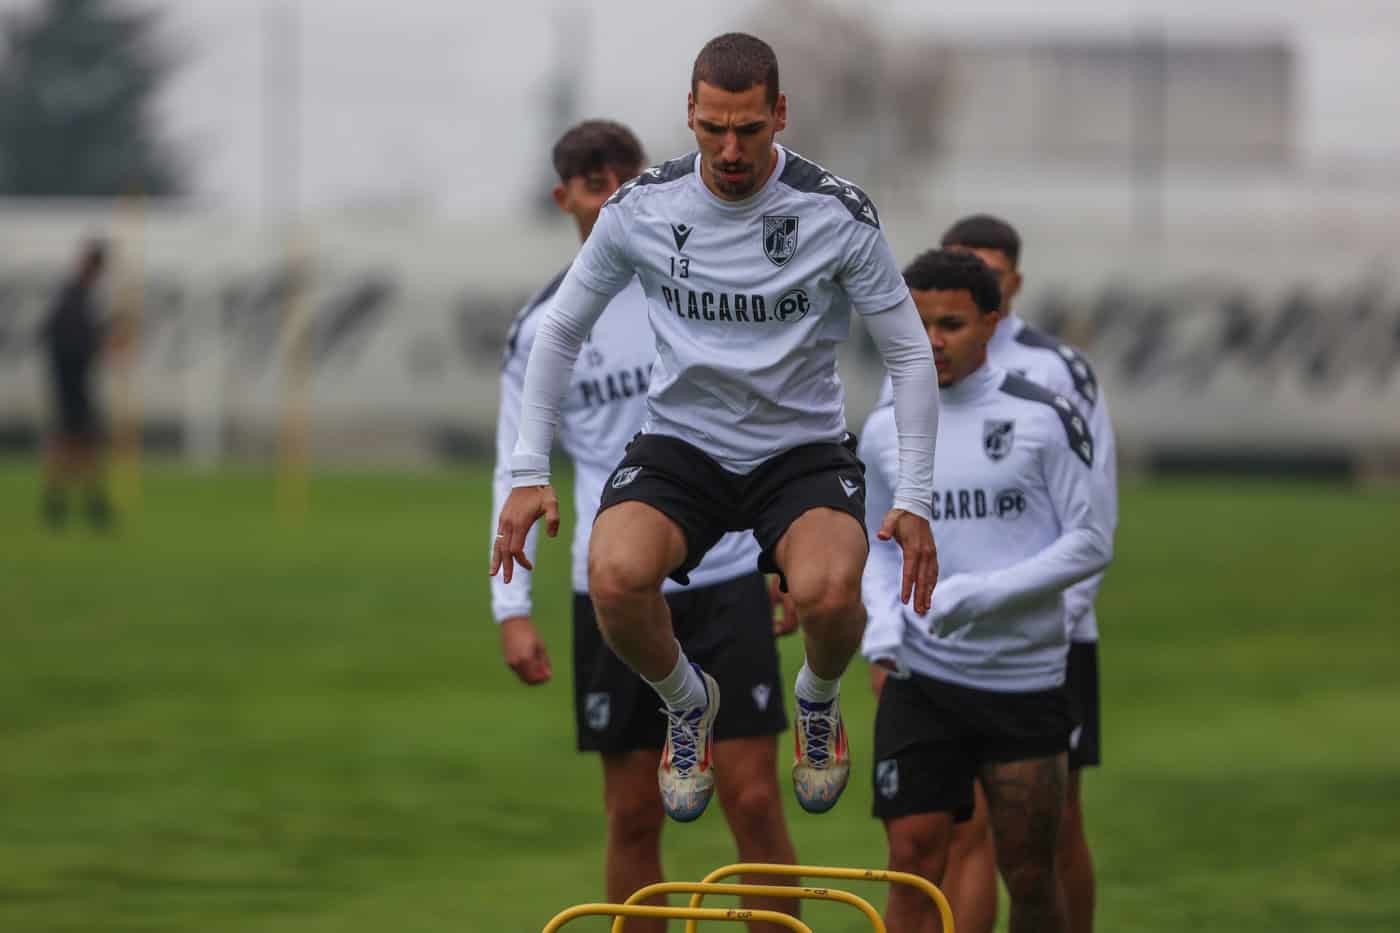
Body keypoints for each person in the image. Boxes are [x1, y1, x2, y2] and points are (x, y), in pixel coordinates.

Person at [491, 32, 940, 822]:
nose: (731, 150)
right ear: (690, 115)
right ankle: (687, 703)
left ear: (781, 116)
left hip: (799, 449)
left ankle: (818, 699)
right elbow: (559, 331)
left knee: (833, 592)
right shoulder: (643, 207)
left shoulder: (835, 212)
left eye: (750, 129)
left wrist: (917, 492)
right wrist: (530, 472)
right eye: (713, 128)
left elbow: (908, 351)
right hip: (683, 445)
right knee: (615, 576)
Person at [491, 119, 800, 933]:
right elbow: (515, 467)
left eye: (626, 179)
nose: (613, 195)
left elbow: (768, 422)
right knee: (632, 814)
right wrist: (510, 607)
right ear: (565, 199)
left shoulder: (702, 283)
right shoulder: (543, 326)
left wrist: (785, 549)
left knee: (755, 798)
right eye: (594, 184)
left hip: (725, 568)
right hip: (614, 588)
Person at [859, 249, 1112, 933]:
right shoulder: (885, 428)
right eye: (916, 324)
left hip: (1022, 682)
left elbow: (1090, 542)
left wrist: (980, 595)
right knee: (910, 860)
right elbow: (878, 550)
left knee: (1029, 873)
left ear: (992, 323)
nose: (931, 341)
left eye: (951, 324)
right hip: (922, 678)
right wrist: (881, 627)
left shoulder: (1044, 416)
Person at [937, 215, 1118, 933]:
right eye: (962, 265)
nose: (978, 278)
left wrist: (1057, 617)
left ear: (1013, 281)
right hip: (952, 641)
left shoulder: (1057, 370)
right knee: (965, 823)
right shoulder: (920, 366)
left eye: (989, 267)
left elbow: (1093, 507)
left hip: (1051, 639)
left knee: (1052, 825)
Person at [38, 239, 115, 530]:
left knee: (74, 443)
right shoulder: (75, 297)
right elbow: (74, 342)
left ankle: (65, 504)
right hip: (72, 381)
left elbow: (54, 334)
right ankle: (86, 504)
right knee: (80, 443)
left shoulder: (73, 295)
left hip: (69, 380)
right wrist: (103, 340)